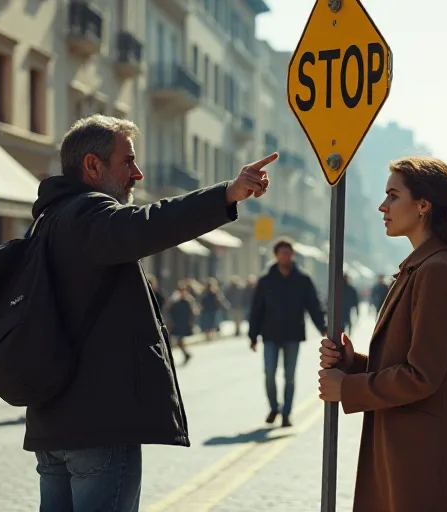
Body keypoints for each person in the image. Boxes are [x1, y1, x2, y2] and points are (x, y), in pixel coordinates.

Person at [26, 114, 274, 512]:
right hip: (98, 424)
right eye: (127, 161)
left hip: (52, 423)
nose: (137, 173)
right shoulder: (88, 216)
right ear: (92, 165)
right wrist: (227, 193)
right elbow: (151, 223)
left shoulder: (46, 222)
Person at [317, 156, 447, 512]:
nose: (383, 206)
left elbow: (422, 376)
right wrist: (355, 363)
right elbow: (414, 361)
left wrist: (347, 388)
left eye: (393, 196)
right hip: (409, 447)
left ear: (423, 205)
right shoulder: (423, 266)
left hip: (421, 456)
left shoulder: (436, 271)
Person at [248, 238, 327, 428]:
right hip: (270, 334)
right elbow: (257, 309)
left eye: (288, 253)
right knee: (269, 373)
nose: (286, 256)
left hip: (293, 334)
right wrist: (253, 336)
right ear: (276, 256)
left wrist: (322, 326)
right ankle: (274, 407)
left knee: (289, 377)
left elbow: (313, 305)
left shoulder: (303, 279)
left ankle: (287, 413)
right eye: (282, 253)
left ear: (292, 255)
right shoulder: (266, 280)